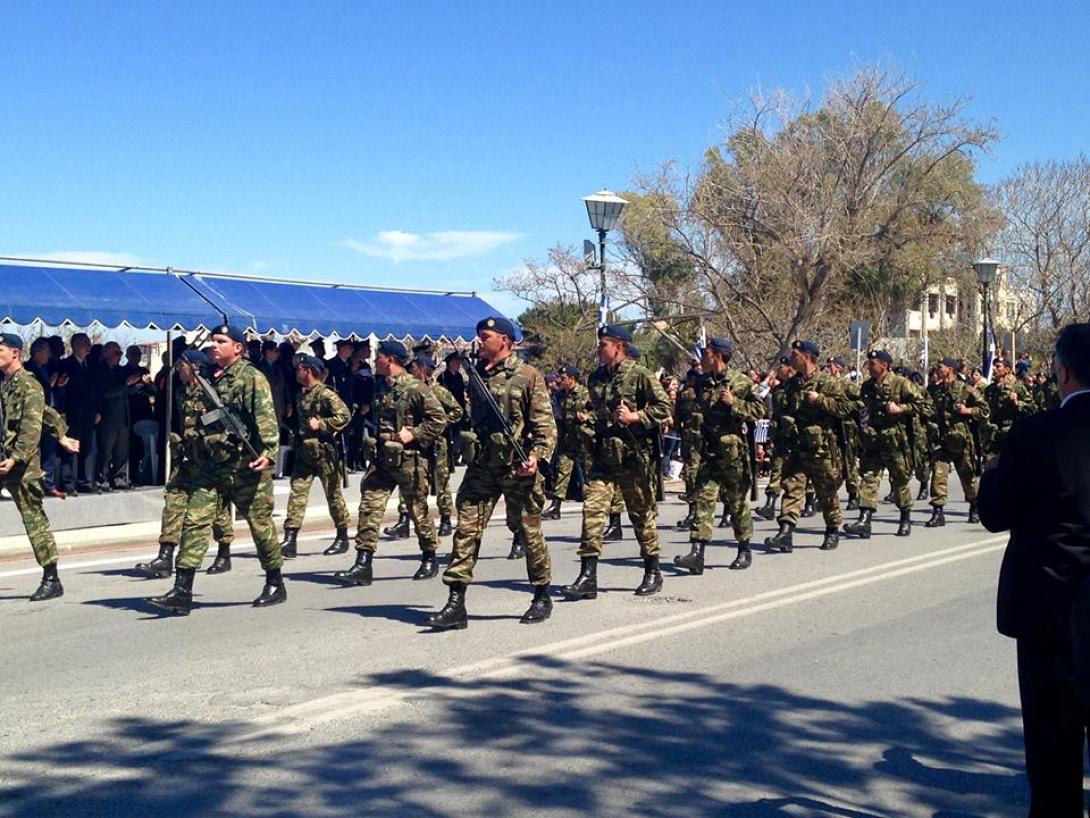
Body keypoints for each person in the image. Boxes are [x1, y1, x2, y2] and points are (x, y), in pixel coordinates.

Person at [980, 323, 1090, 816]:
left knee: (1052, 757)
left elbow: (996, 514)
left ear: (1063, 372)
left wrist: (991, 476)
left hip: (1048, 612)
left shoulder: (1035, 433)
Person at [425, 317, 556, 629]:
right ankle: (456, 603)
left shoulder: (527, 376)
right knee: (466, 529)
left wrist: (537, 458)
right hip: (483, 466)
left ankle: (541, 594)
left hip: (517, 466)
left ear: (505, 341)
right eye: (479, 337)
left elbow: (546, 426)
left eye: (486, 337)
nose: (480, 342)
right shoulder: (476, 375)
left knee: (527, 530)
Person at [146, 324, 285, 615]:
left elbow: (267, 422)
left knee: (260, 527)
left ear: (238, 347)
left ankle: (275, 581)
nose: (214, 345)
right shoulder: (206, 377)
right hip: (210, 467)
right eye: (212, 341)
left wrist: (268, 455)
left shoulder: (251, 378)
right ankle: (182, 590)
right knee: (195, 522)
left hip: (244, 467)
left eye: (221, 341)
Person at [561, 324, 672, 600]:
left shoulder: (640, 375)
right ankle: (588, 577)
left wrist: (636, 417)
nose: (598, 350)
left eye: (603, 345)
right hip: (604, 457)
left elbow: (664, 409)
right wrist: (589, 420)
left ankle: (652, 570)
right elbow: (600, 412)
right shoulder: (597, 377)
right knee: (592, 513)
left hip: (633, 458)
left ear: (618, 347)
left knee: (641, 515)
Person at [334, 341, 446, 586]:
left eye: (379, 357)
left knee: (418, 511)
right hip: (383, 459)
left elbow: (439, 419)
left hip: (409, 461)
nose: (375, 361)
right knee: (370, 508)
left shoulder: (416, 388)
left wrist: (414, 433)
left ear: (391, 360)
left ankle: (429, 557)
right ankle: (363, 564)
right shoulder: (381, 388)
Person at [134, 350, 235, 578]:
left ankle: (224, 551)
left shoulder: (213, 392)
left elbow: (224, 421)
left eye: (182, 366)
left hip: (209, 459)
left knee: (216, 510)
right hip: (187, 458)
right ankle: (165, 556)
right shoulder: (181, 393)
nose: (178, 369)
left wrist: (207, 436)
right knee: (173, 501)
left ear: (196, 367)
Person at [675, 337, 765, 574]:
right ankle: (697, 553)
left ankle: (744, 548)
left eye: (706, 352)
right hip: (710, 452)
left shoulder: (740, 382)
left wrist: (734, 403)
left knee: (736, 503)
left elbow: (759, 411)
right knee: (704, 499)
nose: (702, 356)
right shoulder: (702, 382)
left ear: (717, 355)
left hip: (733, 453)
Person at [764, 340, 853, 553]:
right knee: (792, 488)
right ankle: (785, 532)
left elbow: (846, 408)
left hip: (821, 448)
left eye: (795, 354)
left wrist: (820, 400)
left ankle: (832, 529)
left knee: (826, 491)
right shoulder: (792, 384)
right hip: (796, 446)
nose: (792, 357)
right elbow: (781, 407)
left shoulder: (828, 383)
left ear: (806, 356)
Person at [0, 334, 68, 600]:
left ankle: (51, 577)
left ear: (15, 353)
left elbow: (32, 427)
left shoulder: (29, 385)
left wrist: (16, 459)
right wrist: (61, 434)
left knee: (34, 520)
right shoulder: (6, 384)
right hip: (5, 457)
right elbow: (48, 414)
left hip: (21, 465)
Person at [843, 350, 929, 540]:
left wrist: (902, 409)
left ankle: (905, 517)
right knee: (869, 478)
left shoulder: (901, 383)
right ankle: (864, 520)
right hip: (874, 441)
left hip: (895, 442)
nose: (869, 367)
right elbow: (863, 409)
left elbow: (924, 405)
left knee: (899, 481)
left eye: (873, 363)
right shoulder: (867, 387)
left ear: (884, 365)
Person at [278, 354, 352, 559]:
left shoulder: (326, 394)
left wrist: (323, 424)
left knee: (333, 495)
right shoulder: (302, 394)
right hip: (305, 451)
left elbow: (344, 415)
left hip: (324, 452)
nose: (296, 373)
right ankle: (290, 538)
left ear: (308, 370)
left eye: (299, 369)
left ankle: (342, 535)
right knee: (297, 494)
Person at [925, 358, 988, 527]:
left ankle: (975, 505)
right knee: (938, 474)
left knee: (967, 478)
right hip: (942, 440)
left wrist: (968, 411)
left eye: (940, 367)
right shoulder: (935, 391)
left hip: (960, 440)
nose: (937, 370)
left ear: (950, 369)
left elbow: (984, 410)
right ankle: (938, 511)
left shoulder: (965, 390)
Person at [409, 353, 463, 536]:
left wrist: (440, 423)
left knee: (441, 483)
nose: (411, 373)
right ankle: (413, 521)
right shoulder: (413, 390)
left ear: (423, 371)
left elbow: (457, 410)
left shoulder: (438, 391)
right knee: (416, 482)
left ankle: (446, 519)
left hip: (438, 443)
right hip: (419, 442)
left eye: (414, 370)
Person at [543, 364, 592, 521]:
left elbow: (598, 410)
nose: (560, 382)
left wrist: (588, 417)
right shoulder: (560, 396)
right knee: (562, 471)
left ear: (572, 379)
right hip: (568, 439)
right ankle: (555, 507)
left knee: (590, 473)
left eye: (563, 379)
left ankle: (596, 506)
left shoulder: (585, 393)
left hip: (585, 440)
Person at [93, 341, 137, 491]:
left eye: (121, 353)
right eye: (117, 353)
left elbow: (126, 391)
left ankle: (119, 478)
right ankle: (102, 478)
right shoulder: (100, 371)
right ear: (107, 354)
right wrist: (126, 383)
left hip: (123, 416)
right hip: (108, 416)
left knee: (122, 451)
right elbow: (107, 393)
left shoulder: (120, 371)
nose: (120, 357)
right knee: (105, 450)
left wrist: (137, 384)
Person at [57, 332, 97, 494]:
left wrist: (97, 410)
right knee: (71, 449)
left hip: (89, 414)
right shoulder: (66, 364)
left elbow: (95, 390)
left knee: (88, 448)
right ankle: (69, 483)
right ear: (75, 346)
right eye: (84, 344)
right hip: (73, 414)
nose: (88, 347)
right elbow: (62, 390)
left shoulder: (91, 364)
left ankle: (85, 481)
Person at [983, 357, 1036, 458]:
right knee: (991, 468)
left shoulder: (1017, 387)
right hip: (993, 436)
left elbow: (1033, 408)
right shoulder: (989, 390)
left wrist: (1017, 403)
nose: (994, 368)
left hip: (1012, 434)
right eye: (994, 366)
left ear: (1006, 370)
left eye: (998, 366)